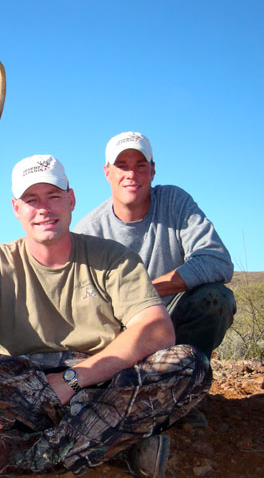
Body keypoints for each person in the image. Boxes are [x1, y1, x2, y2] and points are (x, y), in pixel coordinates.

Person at [0, 155, 211, 478]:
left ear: (71, 199)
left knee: (190, 365)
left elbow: (157, 329)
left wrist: (73, 379)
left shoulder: (114, 259)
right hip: (29, 384)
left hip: (103, 380)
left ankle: (28, 454)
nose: (44, 209)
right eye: (31, 200)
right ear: (16, 209)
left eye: (53, 197)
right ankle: (119, 442)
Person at [73, 131, 235, 362]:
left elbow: (217, 261)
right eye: (121, 166)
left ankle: (190, 378)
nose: (131, 174)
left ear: (153, 170)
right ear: (107, 172)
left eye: (140, 166)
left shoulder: (175, 202)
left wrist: (144, 294)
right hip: (118, 332)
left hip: (170, 321)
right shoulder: (88, 230)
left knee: (216, 298)